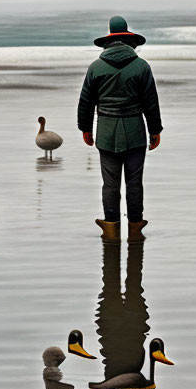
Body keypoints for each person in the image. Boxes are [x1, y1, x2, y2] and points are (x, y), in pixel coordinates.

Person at [78, 16, 162, 243]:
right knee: (134, 183)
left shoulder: (95, 67)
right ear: (129, 41)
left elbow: (86, 102)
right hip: (135, 131)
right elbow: (150, 102)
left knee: (110, 183)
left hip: (105, 132)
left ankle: (111, 228)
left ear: (108, 41)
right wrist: (155, 131)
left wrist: (85, 128)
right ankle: (135, 228)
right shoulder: (142, 66)